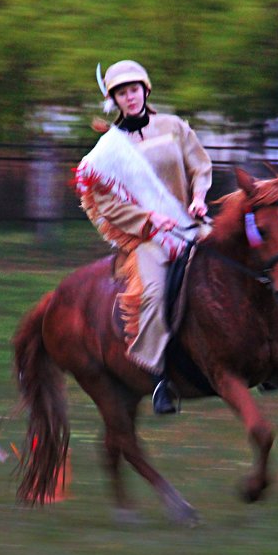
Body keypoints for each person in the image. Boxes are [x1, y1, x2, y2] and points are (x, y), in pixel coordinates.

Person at [74, 60, 212, 414]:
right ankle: (159, 377)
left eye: (134, 89)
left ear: (145, 90)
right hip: (150, 237)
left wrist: (197, 199)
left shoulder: (173, 126)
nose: (130, 97)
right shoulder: (109, 148)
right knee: (151, 295)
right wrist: (147, 219)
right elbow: (104, 201)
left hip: (190, 224)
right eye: (122, 92)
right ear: (114, 100)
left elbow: (199, 165)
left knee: (245, 259)